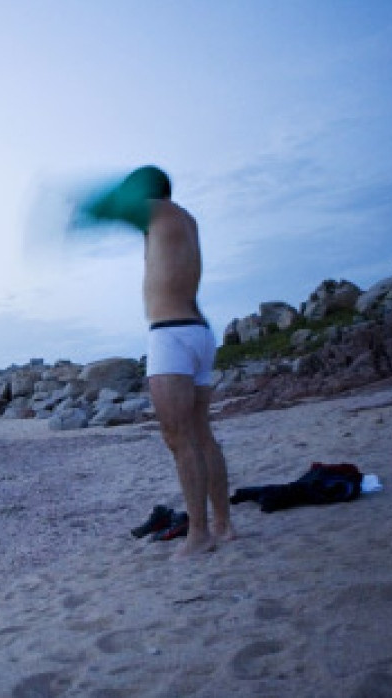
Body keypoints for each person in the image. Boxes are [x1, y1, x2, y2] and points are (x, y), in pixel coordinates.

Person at [78, 166, 238, 558]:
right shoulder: (186, 219)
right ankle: (223, 525)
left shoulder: (156, 211)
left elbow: (105, 207)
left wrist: (74, 207)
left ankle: (198, 534)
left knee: (179, 439)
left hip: (170, 335)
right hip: (199, 332)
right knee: (202, 435)